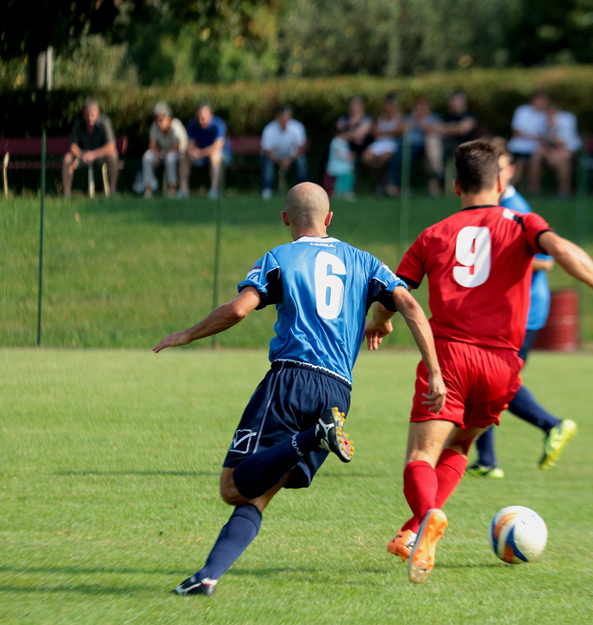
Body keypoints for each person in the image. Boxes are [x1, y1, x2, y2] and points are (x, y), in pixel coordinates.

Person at [155, 183, 445, 597]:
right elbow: (412, 307)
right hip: (337, 392)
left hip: (291, 379)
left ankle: (315, 435)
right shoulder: (365, 262)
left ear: (285, 219)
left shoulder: (280, 258)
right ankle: (207, 576)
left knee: (233, 485)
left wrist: (188, 333)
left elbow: (239, 308)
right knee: (259, 493)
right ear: (329, 219)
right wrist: (434, 370)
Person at [366, 139, 593, 584]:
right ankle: (414, 532)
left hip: (449, 355)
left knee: (420, 455)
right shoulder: (524, 222)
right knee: (460, 447)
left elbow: (397, 290)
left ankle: (427, 516)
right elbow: (562, 251)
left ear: (455, 187)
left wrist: (379, 322)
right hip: (503, 364)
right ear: (501, 181)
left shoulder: (434, 234)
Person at [469, 143, 577, 478]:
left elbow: (546, 259)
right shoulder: (494, 206)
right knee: (484, 384)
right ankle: (487, 461)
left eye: (499, 168)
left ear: (510, 172)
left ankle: (552, 425)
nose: (493, 176)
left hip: (522, 313)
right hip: (502, 313)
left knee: (496, 384)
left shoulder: (515, 209)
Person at [64, 98, 118, 198]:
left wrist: (93, 155)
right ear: (83, 114)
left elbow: (111, 146)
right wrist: (82, 154)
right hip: (82, 156)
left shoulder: (104, 124)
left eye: (92, 115)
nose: (90, 118)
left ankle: (113, 190)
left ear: (98, 113)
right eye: (87, 115)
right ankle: (66, 194)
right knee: (67, 158)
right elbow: (73, 146)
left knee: (113, 156)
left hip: (101, 156)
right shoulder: (78, 124)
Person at [528, 102, 580, 198]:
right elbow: (542, 141)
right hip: (551, 149)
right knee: (535, 157)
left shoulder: (567, 121)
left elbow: (561, 143)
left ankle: (564, 191)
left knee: (561, 161)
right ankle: (533, 190)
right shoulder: (542, 121)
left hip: (567, 148)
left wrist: (552, 129)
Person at [138, 102, 188, 198]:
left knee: (170, 158)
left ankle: (172, 188)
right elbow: (152, 145)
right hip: (162, 152)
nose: (158, 122)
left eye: (161, 119)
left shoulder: (175, 126)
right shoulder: (155, 126)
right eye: (157, 119)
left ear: (168, 117)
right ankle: (148, 189)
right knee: (147, 156)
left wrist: (162, 153)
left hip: (179, 154)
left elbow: (175, 148)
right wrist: (157, 154)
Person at [260, 105, 308, 200]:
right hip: (274, 157)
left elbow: (300, 148)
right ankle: (266, 189)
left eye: (286, 115)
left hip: (291, 156)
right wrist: (280, 161)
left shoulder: (297, 127)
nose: (284, 118)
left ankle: (304, 189)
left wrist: (289, 160)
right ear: (277, 116)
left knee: (301, 161)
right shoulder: (269, 129)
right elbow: (268, 151)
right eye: (281, 115)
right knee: (268, 164)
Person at [181, 103, 228, 199]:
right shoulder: (193, 124)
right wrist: (191, 152)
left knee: (214, 156)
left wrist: (200, 153)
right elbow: (190, 143)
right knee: (183, 156)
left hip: (220, 155)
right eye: (198, 117)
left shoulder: (218, 124)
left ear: (210, 114)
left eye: (203, 117)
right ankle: (183, 190)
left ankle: (214, 190)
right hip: (199, 155)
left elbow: (217, 146)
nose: (200, 120)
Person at [402, 95, 445, 197]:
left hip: (426, 146)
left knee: (430, 146)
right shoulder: (409, 118)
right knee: (431, 153)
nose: (421, 107)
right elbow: (403, 130)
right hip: (411, 146)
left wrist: (421, 120)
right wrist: (414, 119)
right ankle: (437, 172)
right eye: (419, 104)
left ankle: (433, 187)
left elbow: (431, 129)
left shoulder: (434, 118)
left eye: (424, 105)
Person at [363, 93, 405, 196]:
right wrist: (391, 131)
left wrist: (383, 132)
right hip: (378, 144)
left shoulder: (399, 118)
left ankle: (383, 183)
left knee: (384, 158)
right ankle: (381, 178)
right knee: (367, 157)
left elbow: (400, 131)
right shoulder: (380, 118)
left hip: (392, 144)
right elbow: (374, 132)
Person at [507, 92, 549, 188]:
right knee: (519, 167)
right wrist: (535, 137)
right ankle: (505, 190)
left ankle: (533, 189)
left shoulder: (546, 115)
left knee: (536, 162)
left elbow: (545, 136)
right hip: (518, 148)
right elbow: (517, 132)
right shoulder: (522, 111)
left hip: (536, 149)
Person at [325, 135, 356, 201]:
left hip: (346, 166)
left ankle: (346, 192)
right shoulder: (336, 141)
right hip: (337, 166)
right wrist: (347, 156)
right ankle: (338, 193)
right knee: (340, 181)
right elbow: (338, 153)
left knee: (348, 178)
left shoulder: (345, 142)